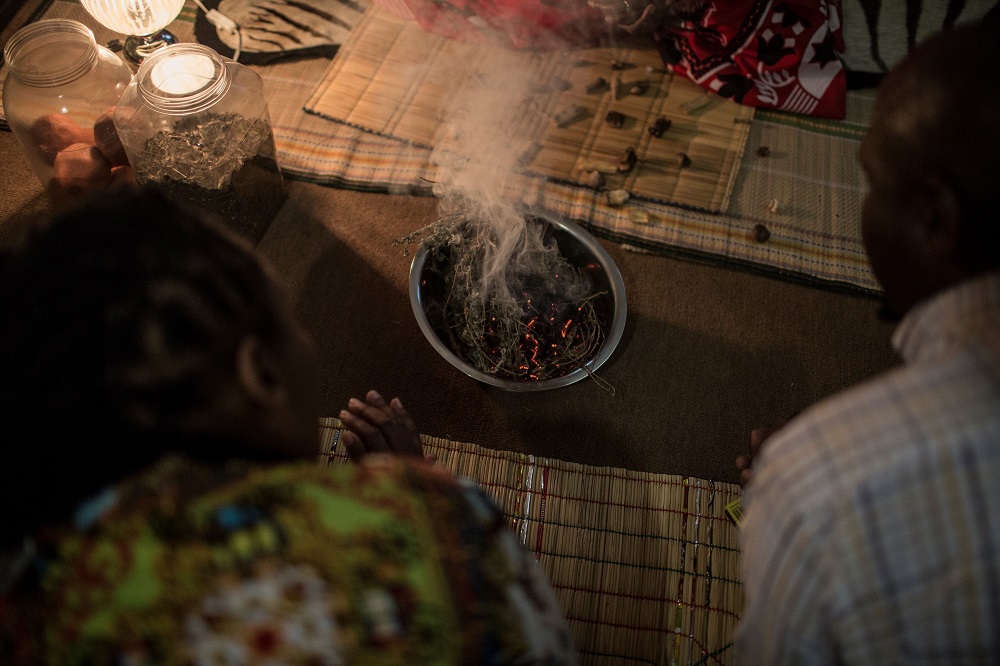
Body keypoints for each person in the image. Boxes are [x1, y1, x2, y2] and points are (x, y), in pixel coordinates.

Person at [0, 187, 577, 664]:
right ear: (260, 375)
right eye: (291, 323)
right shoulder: (431, 528)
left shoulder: (30, 603)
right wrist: (404, 485)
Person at [734, 16, 1000, 664]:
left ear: (934, 218)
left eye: (874, 179)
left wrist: (818, 462)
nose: (866, 200)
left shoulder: (817, 493)